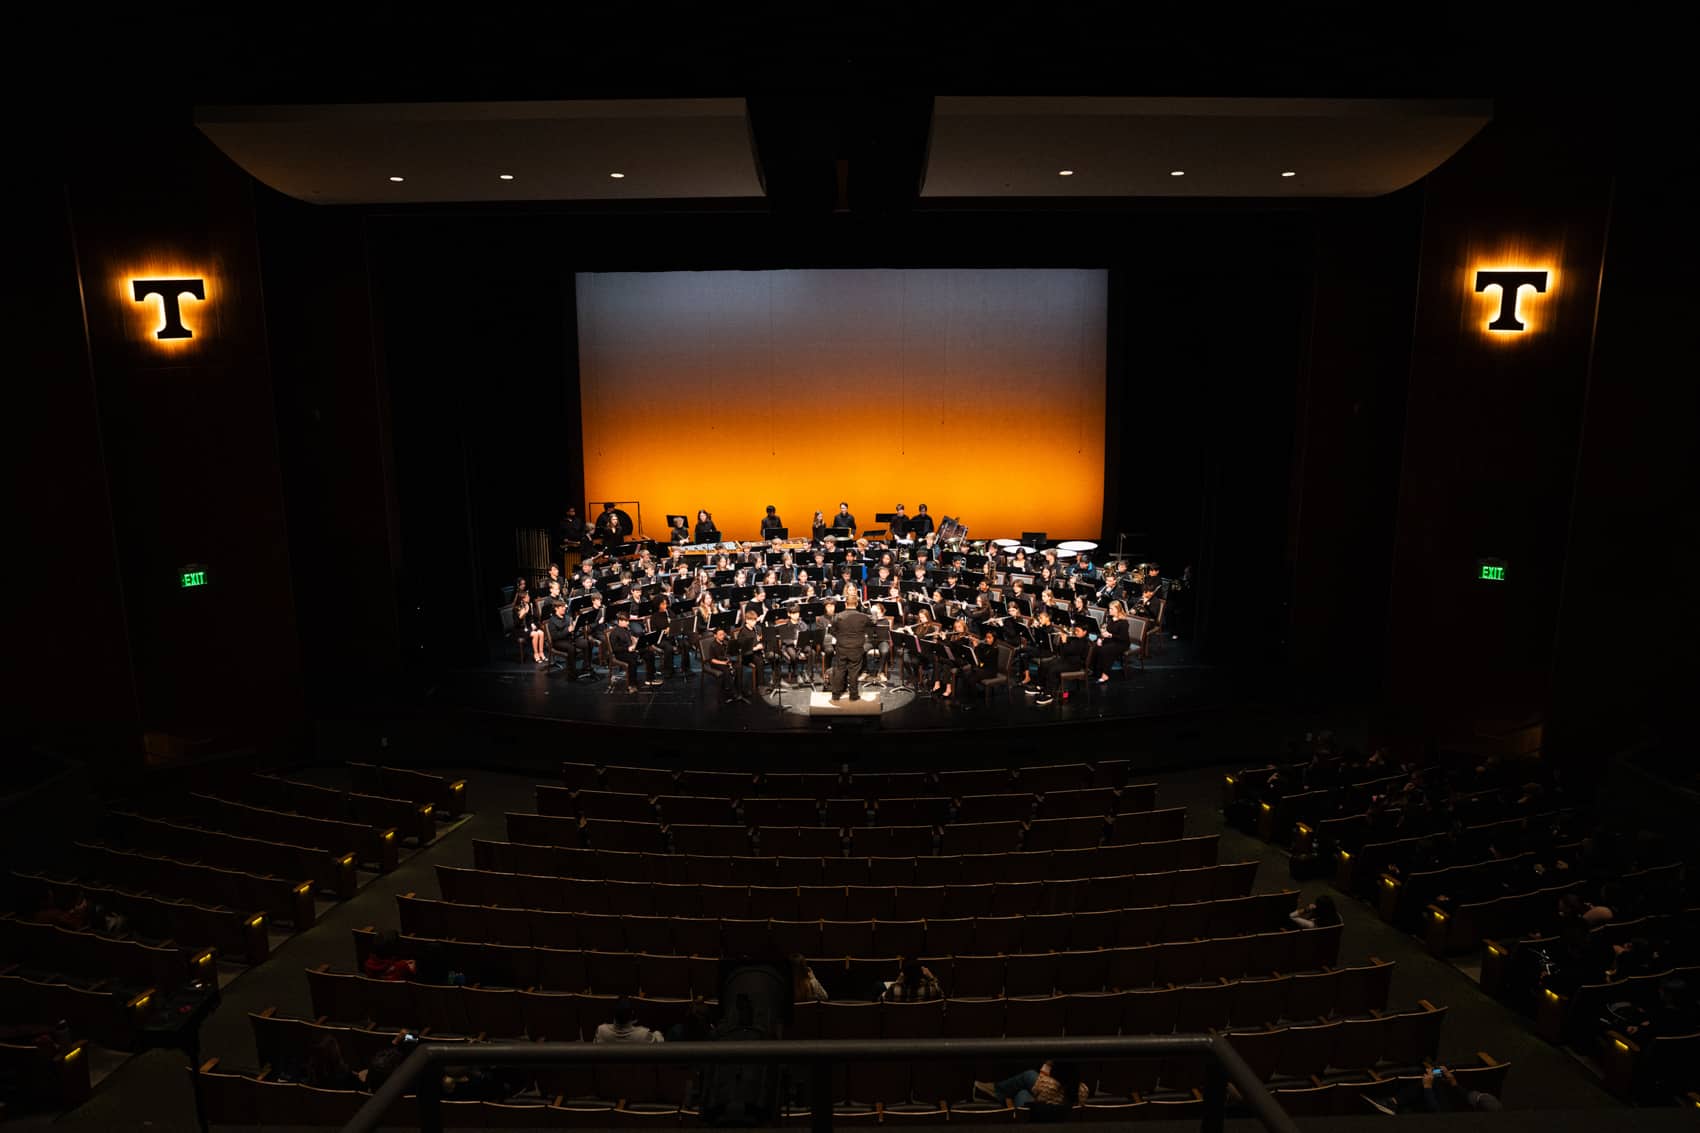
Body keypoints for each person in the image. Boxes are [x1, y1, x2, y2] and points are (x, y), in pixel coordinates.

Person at [974, 1060, 1087, 1110]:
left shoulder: (1047, 1086)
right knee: (1023, 1091)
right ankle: (1004, 1098)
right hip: (1054, 1120)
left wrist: (1047, 1068)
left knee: (1025, 1083)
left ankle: (996, 1091)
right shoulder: (1083, 1091)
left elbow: (1043, 1079)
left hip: (1040, 1120)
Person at [828, 591, 873, 700]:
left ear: (845, 604)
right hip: (856, 648)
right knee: (854, 671)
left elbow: (832, 631)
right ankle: (853, 695)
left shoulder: (837, 616)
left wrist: (840, 638)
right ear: (857, 604)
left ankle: (835, 694)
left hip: (841, 647)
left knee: (840, 669)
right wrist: (867, 609)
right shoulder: (863, 617)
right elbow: (872, 623)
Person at [595, 998, 665, 1043]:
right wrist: (657, 1033)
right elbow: (660, 1041)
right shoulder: (643, 1034)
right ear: (632, 1017)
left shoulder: (601, 1031)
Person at [705, 626, 742, 704]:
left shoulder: (725, 642)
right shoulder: (713, 645)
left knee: (738, 666)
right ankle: (730, 693)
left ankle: (738, 688)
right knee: (727, 671)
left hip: (725, 661)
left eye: (723, 634)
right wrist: (724, 663)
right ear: (715, 636)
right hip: (716, 663)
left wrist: (730, 659)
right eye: (720, 635)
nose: (722, 636)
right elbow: (712, 660)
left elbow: (729, 653)